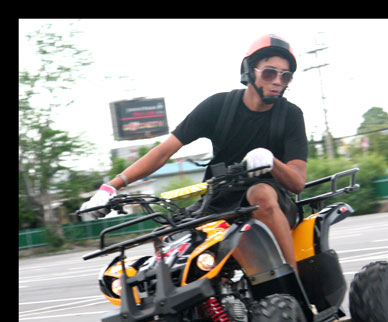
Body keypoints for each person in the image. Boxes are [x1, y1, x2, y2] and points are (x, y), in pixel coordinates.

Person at [80, 34, 308, 271]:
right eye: (270, 73)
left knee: (260, 192)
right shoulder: (218, 106)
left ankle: (292, 280)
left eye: (285, 76)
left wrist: (272, 161)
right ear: (250, 71)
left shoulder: (290, 115)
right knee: (166, 235)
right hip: (220, 201)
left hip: (274, 203)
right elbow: (164, 151)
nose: (278, 81)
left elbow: (297, 182)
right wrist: (110, 187)